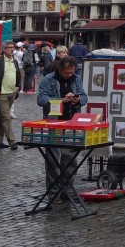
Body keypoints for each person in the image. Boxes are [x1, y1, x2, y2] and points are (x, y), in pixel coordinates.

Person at [36, 56, 90, 196]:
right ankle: (53, 192)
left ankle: (67, 190)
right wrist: (62, 100)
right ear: (60, 69)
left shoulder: (76, 78)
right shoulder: (49, 79)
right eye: (67, 72)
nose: (69, 75)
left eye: (71, 72)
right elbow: (41, 100)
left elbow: (84, 97)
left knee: (70, 160)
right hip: (54, 123)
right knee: (53, 160)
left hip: (72, 123)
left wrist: (78, 100)